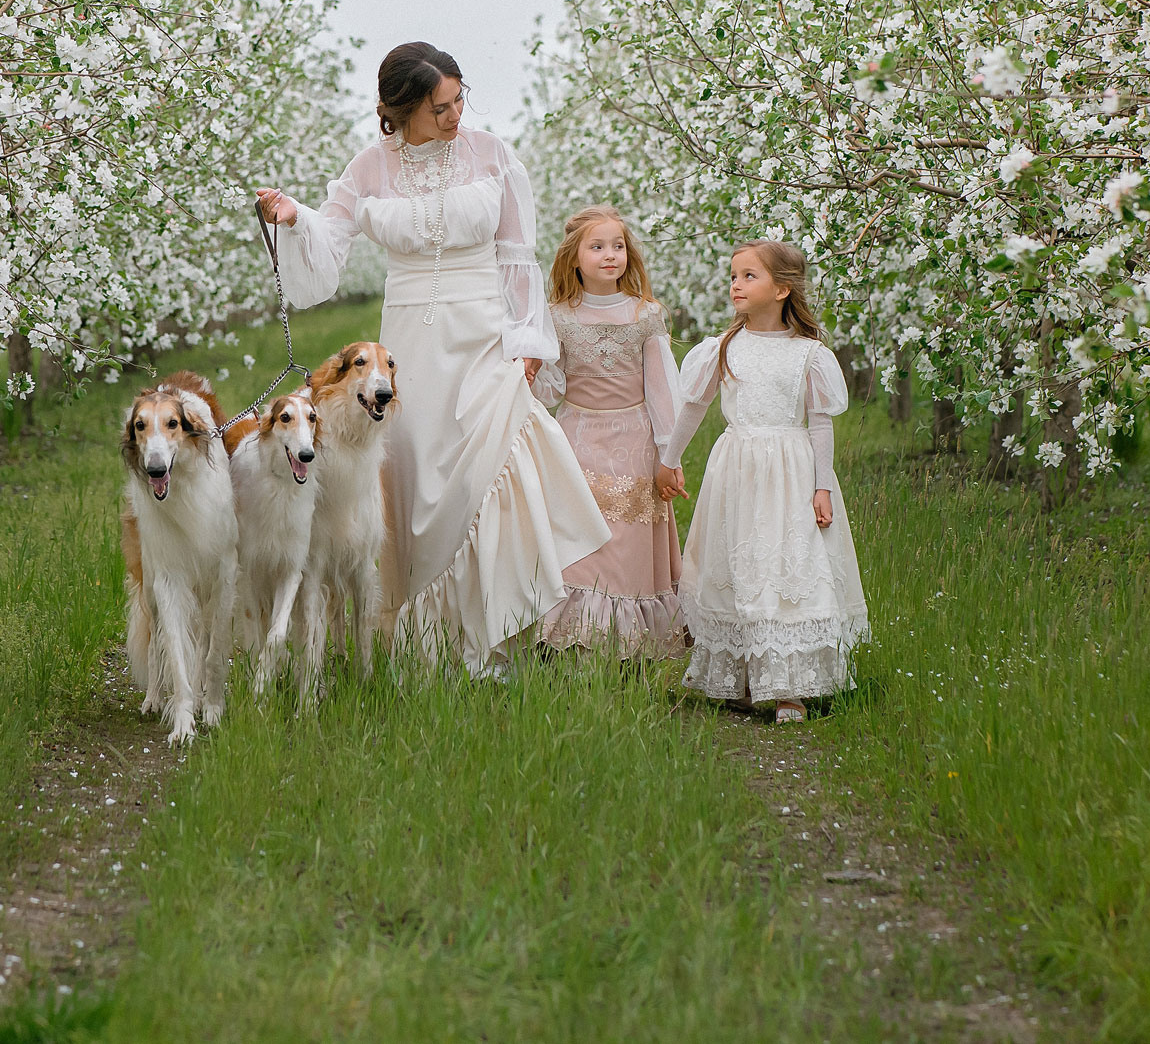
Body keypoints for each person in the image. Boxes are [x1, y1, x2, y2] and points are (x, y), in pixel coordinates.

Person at [255, 42, 609, 676]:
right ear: (401, 111)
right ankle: (426, 647)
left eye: (458, 99)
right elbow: (328, 247)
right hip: (407, 350)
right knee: (415, 490)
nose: (455, 115)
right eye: (440, 107)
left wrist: (526, 343)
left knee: (485, 478)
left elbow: (516, 257)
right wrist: (291, 218)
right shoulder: (368, 168)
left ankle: (493, 643)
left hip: (484, 338)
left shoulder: (492, 155)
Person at [657, 240, 871, 723]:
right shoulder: (724, 348)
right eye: (733, 275)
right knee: (739, 565)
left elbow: (819, 424)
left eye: (749, 276)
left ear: (781, 289)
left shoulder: (809, 355)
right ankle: (745, 680)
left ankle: (790, 687)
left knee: (786, 568)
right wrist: (669, 458)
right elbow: (693, 408)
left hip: (791, 474)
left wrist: (821, 485)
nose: (736, 284)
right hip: (738, 472)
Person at [532, 206, 686, 658]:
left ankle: (626, 645)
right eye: (597, 247)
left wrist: (667, 456)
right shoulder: (558, 316)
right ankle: (572, 639)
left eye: (618, 246)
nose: (610, 255)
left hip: (633, 441)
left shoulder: (645, 315)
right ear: (574, 257)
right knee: (582, 534)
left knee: (625, 539)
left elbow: (662, 393)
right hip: (578, 438)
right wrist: (528, 372)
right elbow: (553, 386)